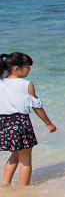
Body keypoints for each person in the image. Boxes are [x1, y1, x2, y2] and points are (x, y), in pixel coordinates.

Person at [1, 52, 58, 186]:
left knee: (14, 155)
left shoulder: (1, 82)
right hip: (20, 122)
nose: (29, 70)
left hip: (4, 123)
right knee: (25, 159)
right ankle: (24, 189)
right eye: (27, 67)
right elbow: (36, 107)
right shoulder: (26, 84)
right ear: (16, 68)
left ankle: (5, 184)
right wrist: (48, 123)